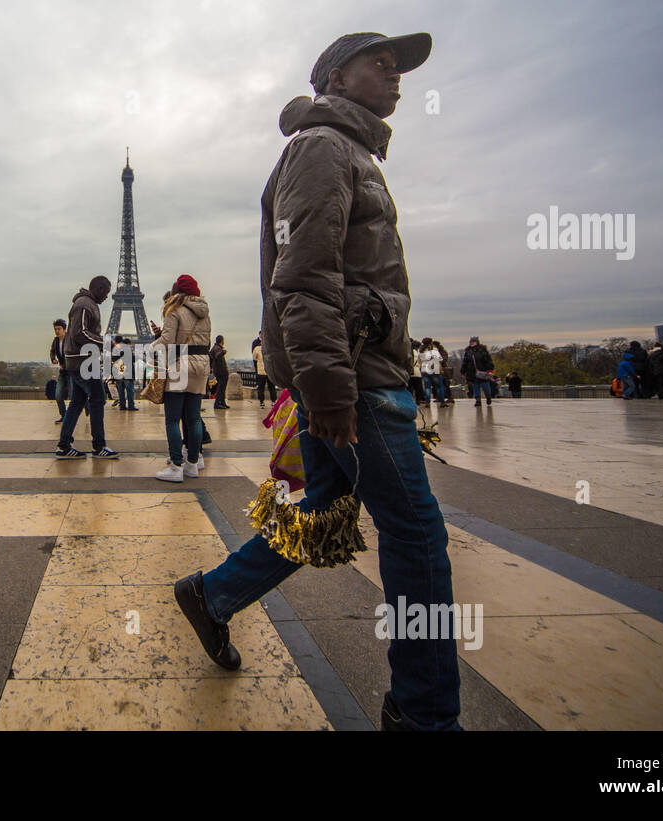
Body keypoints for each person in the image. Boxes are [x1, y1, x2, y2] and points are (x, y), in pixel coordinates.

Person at [174, 31, 460, 731]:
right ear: (336, 75)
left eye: (400, 67)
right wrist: (330, 391)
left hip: (347, 369)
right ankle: (424, 715)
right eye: (381, 63)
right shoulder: (326, 148)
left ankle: (211, 597)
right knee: (416, 535)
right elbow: (302, 280)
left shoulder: (341, 148)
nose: (396, 77)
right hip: (355, 379)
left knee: (319, 514)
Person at [149, 275, 210, 482]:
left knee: (173, 419)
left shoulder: (173, 310)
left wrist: (150, 348)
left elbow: (167, 340)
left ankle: (175, 466)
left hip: (180, 365)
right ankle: (192, 464)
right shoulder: (205, 313)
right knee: (193, 419)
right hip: (201, 366)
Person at [55, 276, 119, 459]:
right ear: (98, 288)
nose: (107, 296)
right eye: (106, 292)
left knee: (77, 402)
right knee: (98, 399)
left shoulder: (86, 303)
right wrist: (105, 343)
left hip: (80, 360)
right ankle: (99, 446)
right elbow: (79, 334)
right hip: (82, 361)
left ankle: (64, 445)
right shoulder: (84, 304)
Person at [461, 336, 494, 406]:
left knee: (485, 385)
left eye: (473, 342)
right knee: (475, 386)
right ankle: (478, 400)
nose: (472, 343)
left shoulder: (482, 350)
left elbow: (488, 361)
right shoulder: (468, 351)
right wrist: (463, 371)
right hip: (472, 372)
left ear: (477, 342)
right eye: (471, 342)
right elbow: (465, 362)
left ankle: (488, 397)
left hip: (483, 371)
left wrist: (490, 369)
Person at [49, 318, 70, 422]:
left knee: (75, 395)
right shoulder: (56, 340)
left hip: (71, 371)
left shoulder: (70, 339)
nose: (57, 331)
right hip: (62, 372)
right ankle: (64, 416)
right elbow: (52, 351)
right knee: (58, 395)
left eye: (59, 329)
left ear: (64, 329)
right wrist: (53, 359)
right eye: (55, 329)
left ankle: (86, 405)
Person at [252, 331, 276, 406]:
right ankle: (273, 401)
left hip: (261, 371)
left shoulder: (257, 348)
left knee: (261, 388)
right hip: (269, 371)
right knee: (271, 387)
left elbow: (254, 358)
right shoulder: (271, 348)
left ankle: (261, 402)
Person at [418, 338, 444, 404]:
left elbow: (419, 361)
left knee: (427, 387)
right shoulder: (434, 350)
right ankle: (442, 401)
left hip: (424, 370)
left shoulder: (421, 351)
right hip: (434, 369)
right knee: (439, 386)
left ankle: (427, 402)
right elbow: (440, 359)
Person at [209, 335, 229, 409]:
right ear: (222, 341)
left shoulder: (214, 348)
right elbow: (217, 356)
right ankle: (217, 403)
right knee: (221, 389)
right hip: (221, 371)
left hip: (218, 371)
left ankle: (222, 403)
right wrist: (223, 352)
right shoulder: (218, 348)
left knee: (222, 388)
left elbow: (211, 355)